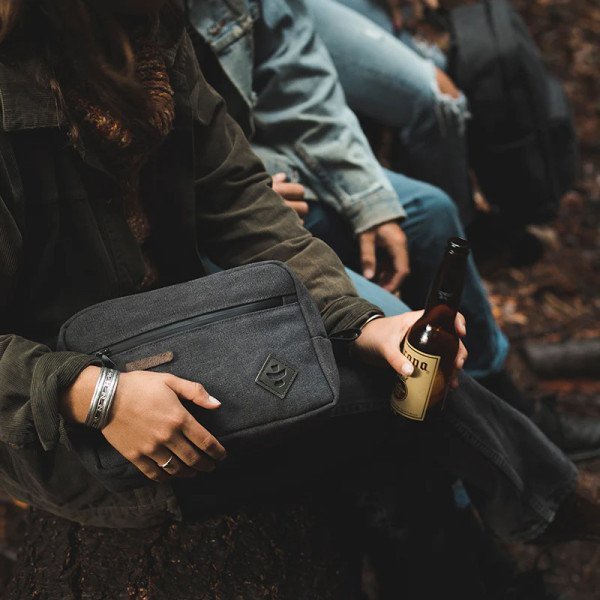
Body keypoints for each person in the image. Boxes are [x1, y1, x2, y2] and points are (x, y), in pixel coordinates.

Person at [0, 0, 597, 553]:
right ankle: (553, 508)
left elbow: (236, 196)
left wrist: (359, 322)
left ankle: (535, 514)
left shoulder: (144, 26)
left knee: (400, 374)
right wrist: (92, 395)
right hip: (76, 429)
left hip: (182, 332)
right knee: (397, 413)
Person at [187, 0, 600, 460]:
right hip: (221, 217)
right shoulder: (117, 37)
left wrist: (371, 202)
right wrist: (235, 194)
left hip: (262, 172)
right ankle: (502, 473)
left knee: (432, 215)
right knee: (395, 336)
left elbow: (300, 83)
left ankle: (509, 395)